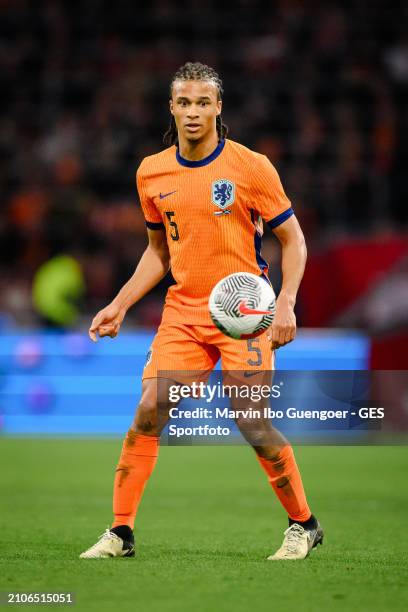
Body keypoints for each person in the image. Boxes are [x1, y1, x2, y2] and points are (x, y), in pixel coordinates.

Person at [80, 62, 323, 561]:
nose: (193, 112)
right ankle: (121, 532)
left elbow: (292, 238)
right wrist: (120, 304)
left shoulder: (250, 167)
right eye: (184, 103)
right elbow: (158, 252)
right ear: (171, 108)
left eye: (203, 102)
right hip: (184, 312)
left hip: (245, 312)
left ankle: (304, 524)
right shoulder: (151, 171)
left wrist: (286, 302)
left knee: (252, 422)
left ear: (218, 107)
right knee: (148, 409)